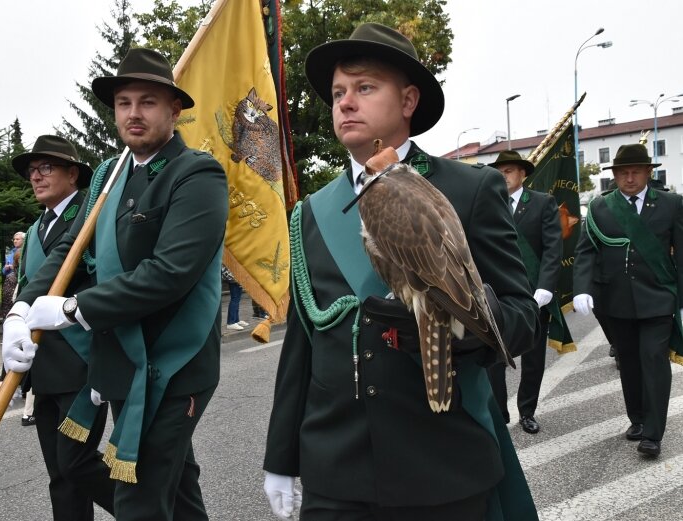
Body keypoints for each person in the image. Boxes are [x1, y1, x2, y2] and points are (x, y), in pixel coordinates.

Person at [262, 23, 539, 520]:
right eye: (338, 93)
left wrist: (462, 324)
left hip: (442, 464)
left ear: (408, 100)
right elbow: (303, 342)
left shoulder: (470, 189)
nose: (346, 103)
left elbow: (520, 316)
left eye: (365, 88)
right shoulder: (311, 212)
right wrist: (281, 457)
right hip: (336, 471)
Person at [2, 48, 228, 520]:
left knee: (139, 499)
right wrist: (20, 311)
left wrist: (70, 310)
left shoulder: (198, 174)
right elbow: (70, 252)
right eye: (124, 102)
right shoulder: (109, 175)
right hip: (122, 360)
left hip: (173, 364)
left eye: (147, 102)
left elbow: (170, 272)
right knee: (179, 494)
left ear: (174, 109)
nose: (133, 113)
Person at [5, 134, 114, 517]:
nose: (36, 176)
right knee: (60, 475)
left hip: (83, 365)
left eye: (45, 168)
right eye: (32, 171)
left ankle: (148, 508)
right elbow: (25, 286)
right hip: (45, 369)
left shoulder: (90, 214)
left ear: (73, 174)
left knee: (76, 463)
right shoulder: (34, 230)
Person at [573, 143, 683, 458]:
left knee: (653, 360)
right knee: (630, 363)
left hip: (658, 299)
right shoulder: (599, 208)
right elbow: (585, 251)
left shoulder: (671, 204)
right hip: (615, 301)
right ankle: (637, 418)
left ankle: (653, 433)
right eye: (623, 172)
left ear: (649, 172)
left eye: (636, 171)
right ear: (615, 175)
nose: (629, 178)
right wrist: (582, 287)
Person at [487, 150, 562, 434]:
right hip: (497, 295)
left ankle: (527, 411)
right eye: (499, 171)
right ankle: (499, 413)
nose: (503, 176)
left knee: (533, 359)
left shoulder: (543, 203)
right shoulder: (488, 203)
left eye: (508, 171)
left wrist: (545, 287)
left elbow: (553, 249)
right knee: (494, 357)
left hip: (533, 295)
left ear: (522, 174)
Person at [1, 232, 25, 317]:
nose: (15, 241)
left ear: (23, 240)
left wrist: (14, 267)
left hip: (20, 282)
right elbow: (3, 271)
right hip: (10, 283)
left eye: (17, 239)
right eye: (14, 239)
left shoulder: (26, 251)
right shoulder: (11, 253)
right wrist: (6, 268)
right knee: (9, 305)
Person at [222, 265, 248, 330]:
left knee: (236, 299)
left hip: (235, 275)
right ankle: (231, 322)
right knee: (235, 299)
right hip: (233, 276)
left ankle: (236, 320)